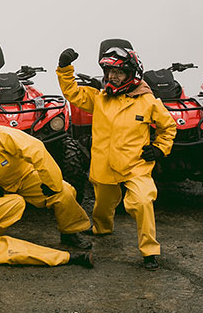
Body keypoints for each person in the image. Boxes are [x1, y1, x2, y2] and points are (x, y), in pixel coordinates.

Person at [56, 46, 176, 270]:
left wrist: (160, 148)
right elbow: (71, 91)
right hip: (103, 167)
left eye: (118, 72)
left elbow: (168, 127)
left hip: (135, 167)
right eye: (109, 71)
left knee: (142, 202)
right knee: (103, 206)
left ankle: (149, 251)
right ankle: (102, 227)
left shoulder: (147, 101)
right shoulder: (99, 99)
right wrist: (64, 68)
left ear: (132, 74)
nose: (112, 76)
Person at [0, 103, 93, 248]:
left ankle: (70, 233)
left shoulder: (0, 135)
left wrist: (51, 182)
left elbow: (36, 149)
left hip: (24, 179)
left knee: (64, 192)